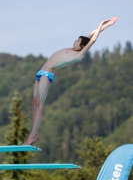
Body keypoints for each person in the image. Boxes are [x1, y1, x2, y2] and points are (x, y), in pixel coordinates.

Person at [23, 17, 118, 145]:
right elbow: (90, 35)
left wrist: (101, 24)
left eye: (78, 41)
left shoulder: (78, 55)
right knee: (34, 103)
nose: (75, 40)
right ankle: (32, 135)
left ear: (82, 46)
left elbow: (92, 39)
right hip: (40, 73)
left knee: (39, 104)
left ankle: (33, 135)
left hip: (47, 74)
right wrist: (108, 25)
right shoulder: (72, 49)